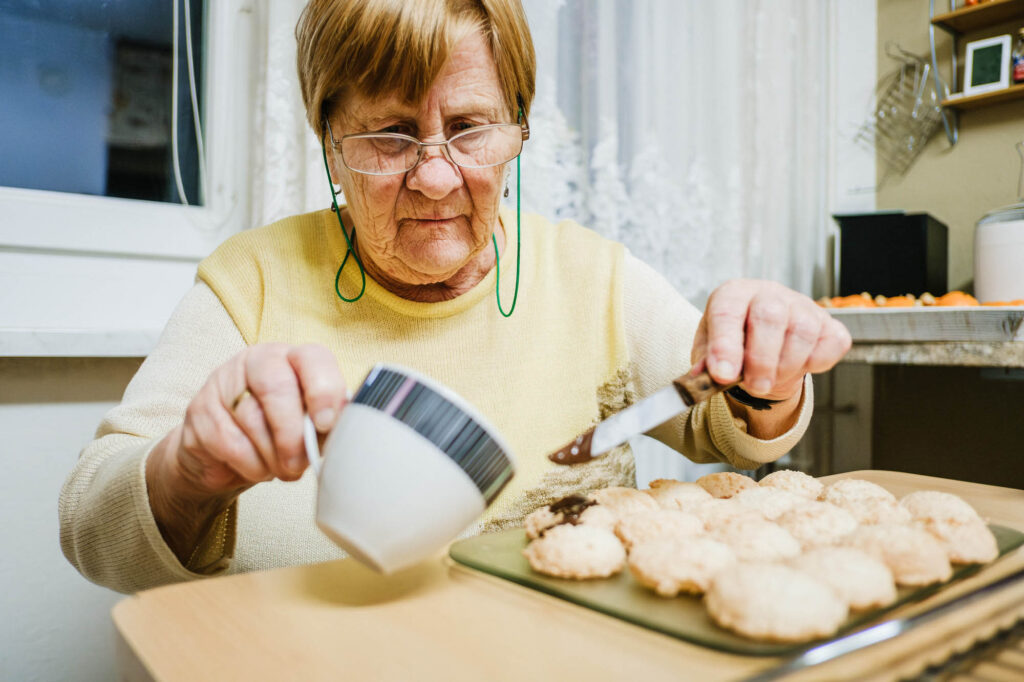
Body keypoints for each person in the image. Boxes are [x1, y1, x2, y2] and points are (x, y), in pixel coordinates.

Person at [59, 0, 851, 594]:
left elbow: (732, 424)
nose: (436, 177)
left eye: (470, 128)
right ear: (330, 142)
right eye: (390, 136)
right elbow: (92, 524)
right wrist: (188, 469)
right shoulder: (253, 280)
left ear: (518, 128)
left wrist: (767, 368)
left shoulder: (594, 279)